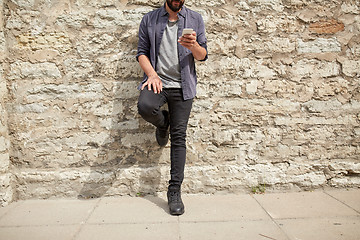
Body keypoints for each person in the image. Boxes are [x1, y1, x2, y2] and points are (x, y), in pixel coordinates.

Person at [136, 0, 208, 215]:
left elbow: (202, 56)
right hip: (157, 81)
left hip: (183, 87)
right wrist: (152, 74)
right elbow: (141, 52)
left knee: (179, 137)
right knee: (145, 107)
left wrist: (193, 46)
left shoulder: (195, 19)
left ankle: (174, 191)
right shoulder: (149, 19)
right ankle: (162, 122)